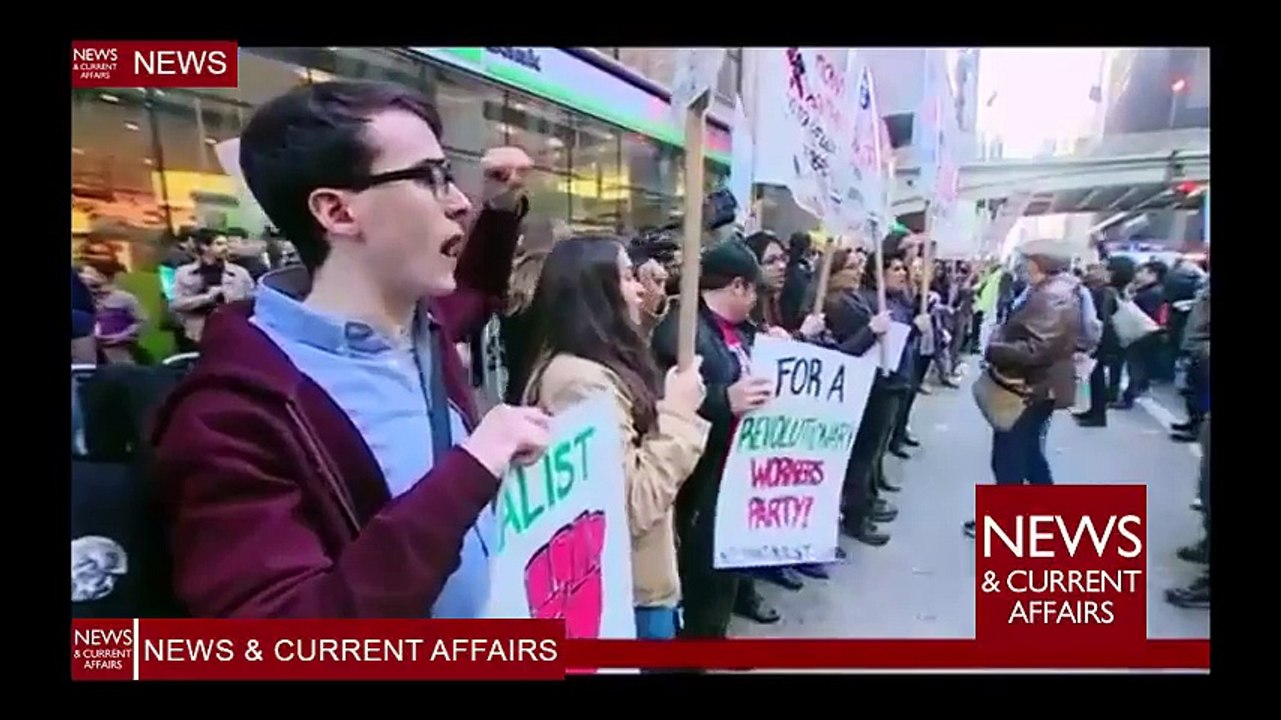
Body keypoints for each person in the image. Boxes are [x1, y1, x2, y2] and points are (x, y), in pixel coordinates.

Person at [150, 80, 548, 618]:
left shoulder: (423, 325)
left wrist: (500, 207)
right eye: (430, 179)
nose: (457, 202)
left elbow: (475, 292)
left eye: (450, 177)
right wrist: (472, 469)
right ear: (337, 212)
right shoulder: (232, 415)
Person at [521, 235, 710, 639]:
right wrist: (678, 414)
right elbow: (629, 505)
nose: (640, 287)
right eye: (627, 276)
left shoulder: (600, 362)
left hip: (636, 583)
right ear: (596, 292)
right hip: (626, 595)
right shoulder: (581, 382)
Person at [651, 239, 774, 638]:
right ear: (738, 286)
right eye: (754, 289)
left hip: (734, 471)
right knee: (702, 573)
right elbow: (667, 403)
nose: (756, 300)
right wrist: (725, 398)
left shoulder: (741, 332)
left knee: (727, 567)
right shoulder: (682, 334)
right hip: (701, 479)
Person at [963, 239, 1081, 538]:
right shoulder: (1053, 292)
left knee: (1009, 457)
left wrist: (994, 349)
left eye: (1027, 260)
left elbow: (1035, 349)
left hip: (1030, 389)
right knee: (1028, 453)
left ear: (1038, 263)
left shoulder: (1053, 297)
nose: (1023, 265)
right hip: (1039, 388)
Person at [823, 247, 898, 546]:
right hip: (852, 388)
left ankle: (863, 505)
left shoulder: (854, 298)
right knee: (857, 458)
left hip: (871, 384)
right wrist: (871, 330)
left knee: (867, 453)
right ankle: (854, 515)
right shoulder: (833, 305)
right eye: (850, 267)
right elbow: (841, 355)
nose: (856, 272)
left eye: (858, 266)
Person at [169, 229, 256, 351]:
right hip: (198, 336)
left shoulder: (240, 273)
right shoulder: (183, 273)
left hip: (233, 334)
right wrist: (207, 298)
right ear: (204, 247)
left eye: (226, 244)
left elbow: (253, 302)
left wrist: (233, 301)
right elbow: (175, 304)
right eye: (219, 244)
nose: (225, 248)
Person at [1073, 262, 1121, 428]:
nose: (1089, 272)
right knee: (1095, 376)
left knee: (1097, 376)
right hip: (1104, 337)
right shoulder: (1106, 291)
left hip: (1102, 338)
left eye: (1092, 270)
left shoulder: (1101, 292)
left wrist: (1092, 341)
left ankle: (1098, 414)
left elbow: (1099, 320)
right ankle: (1094, 411)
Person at [80, 261, 147, 365]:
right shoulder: (80, 298)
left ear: (104, 277)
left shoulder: (124, 298)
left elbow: (143, 321)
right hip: (87, 354)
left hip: (118, 352)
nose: (85, 277)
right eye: (83, 274)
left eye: (90, 274)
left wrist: (122, 336)